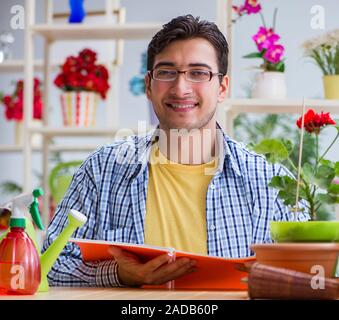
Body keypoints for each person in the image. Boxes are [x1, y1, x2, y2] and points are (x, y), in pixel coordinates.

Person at [42, 14, 309, 288]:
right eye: (167, 72)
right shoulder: (102, 170)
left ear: (222, 87)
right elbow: (46, 266)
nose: (181, 88)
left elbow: (309, 275)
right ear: (148, 85)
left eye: (198, 73)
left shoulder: (271, 183)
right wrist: (118, 274)